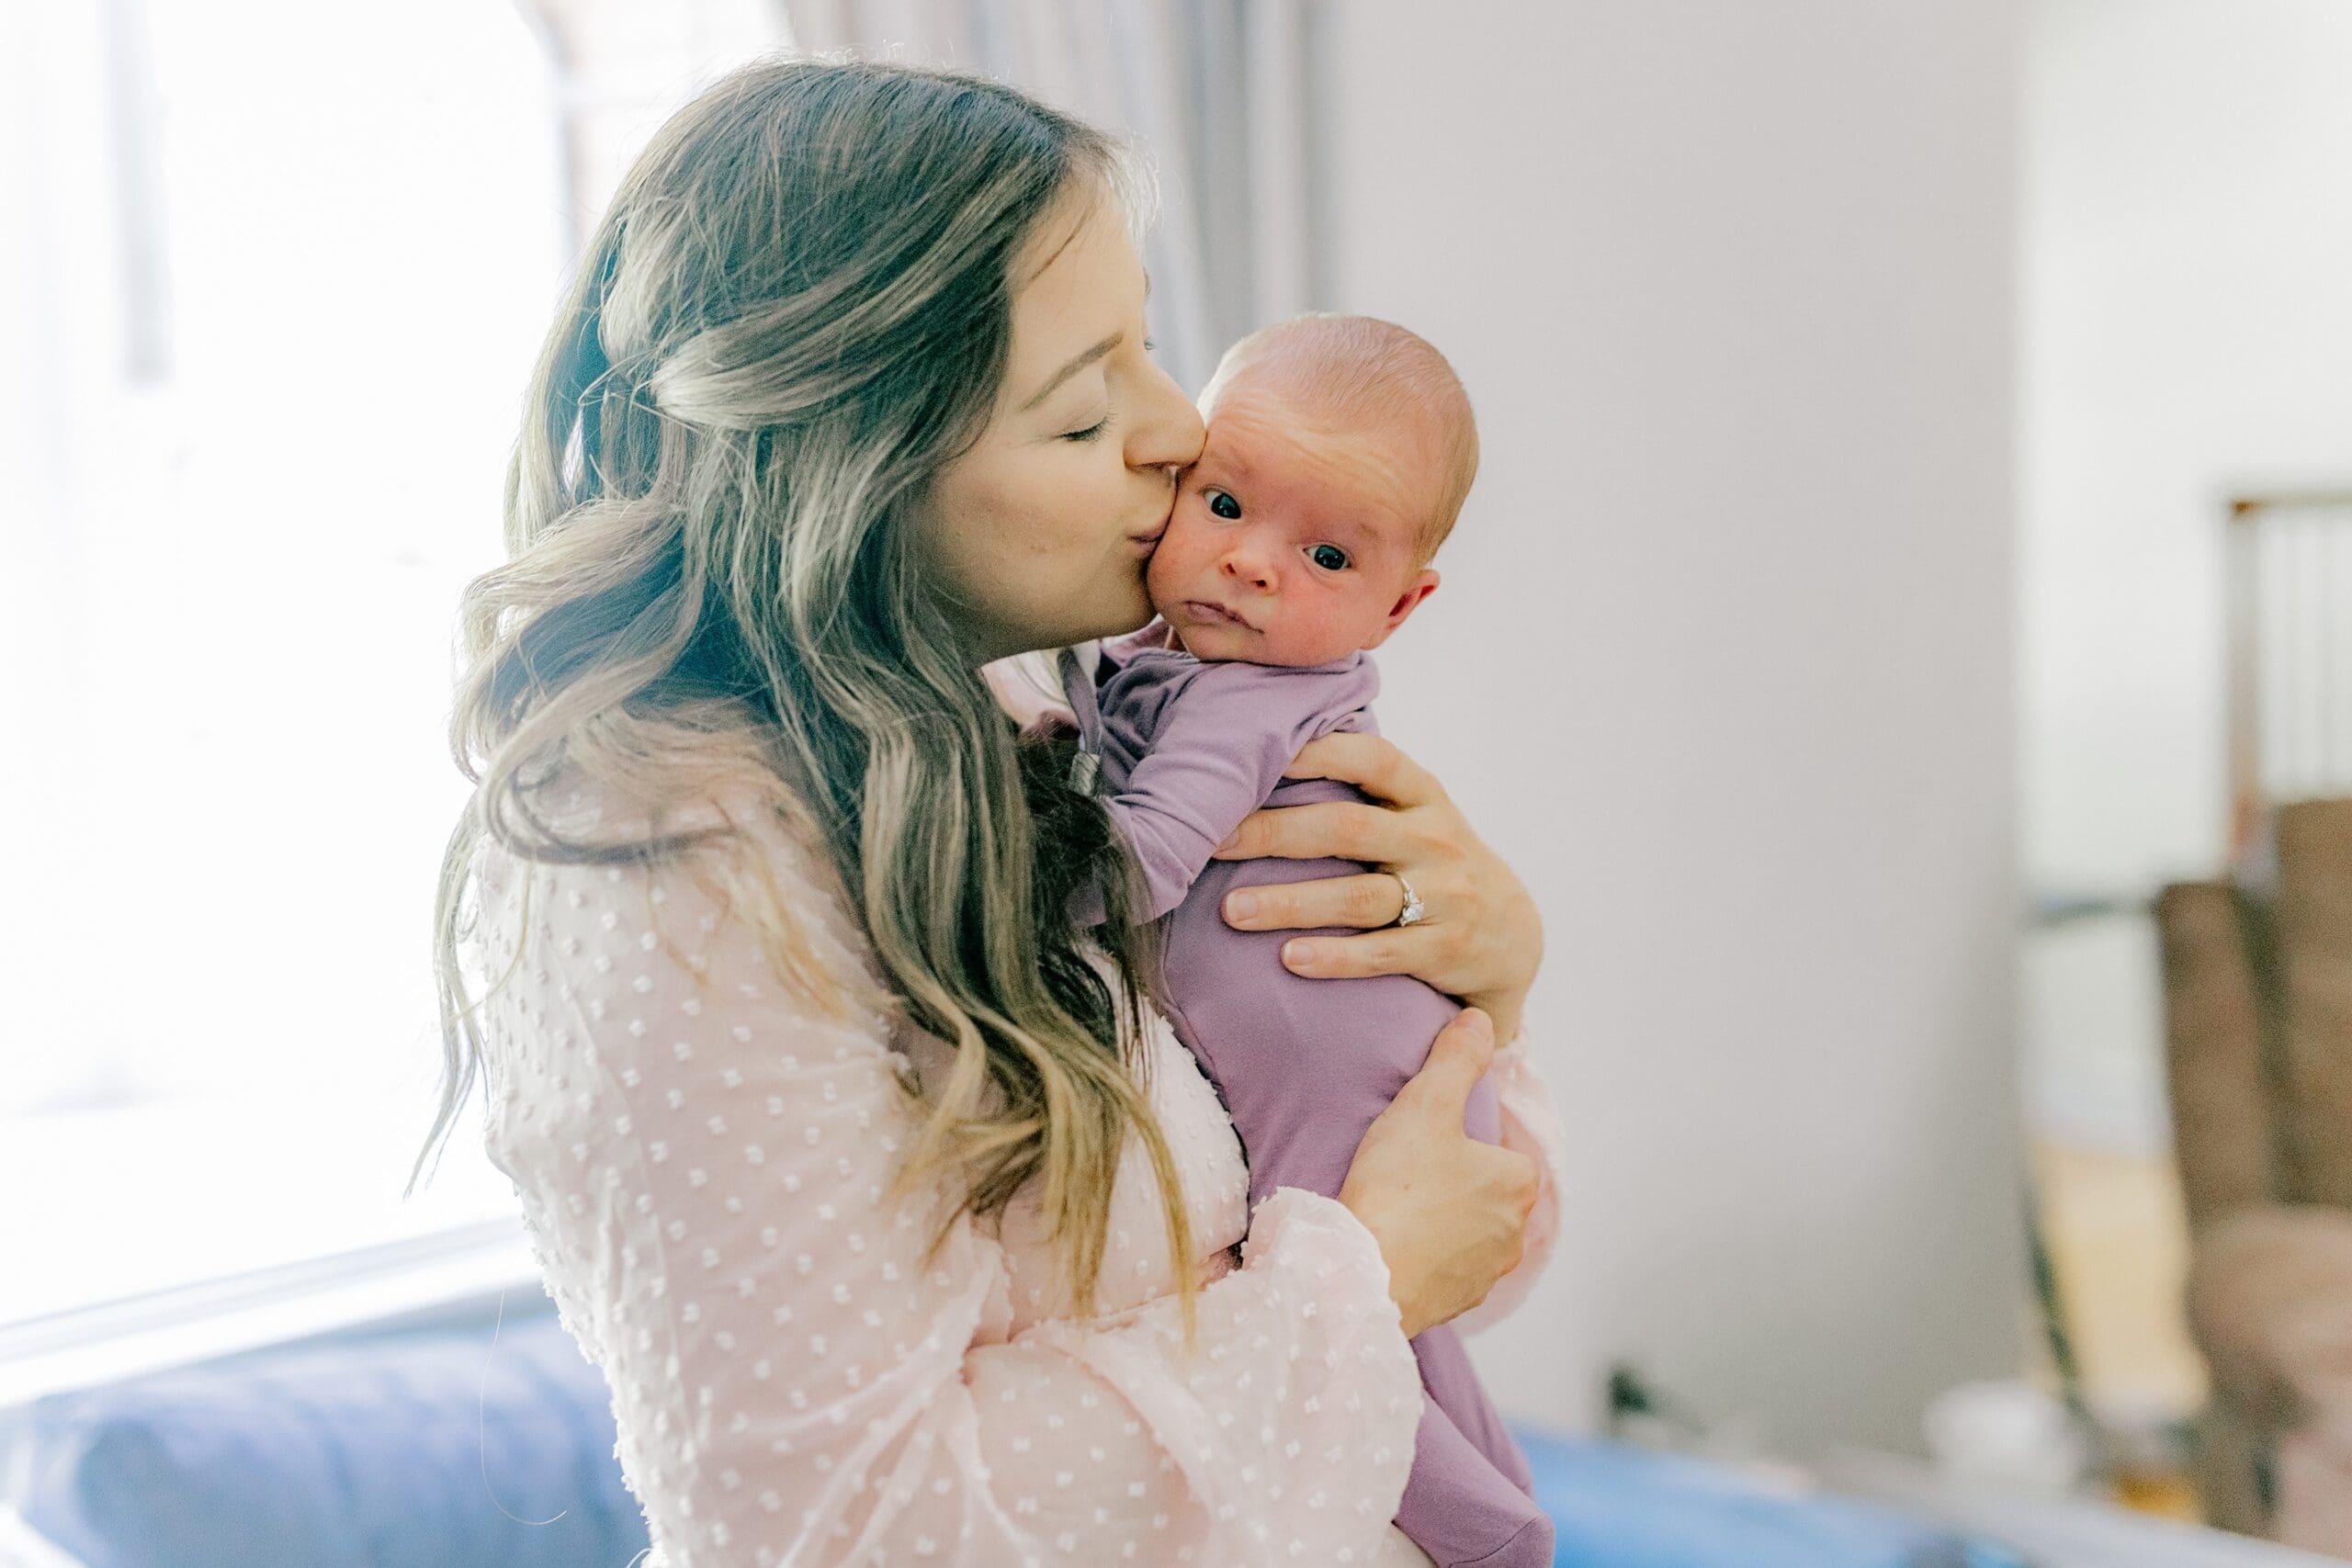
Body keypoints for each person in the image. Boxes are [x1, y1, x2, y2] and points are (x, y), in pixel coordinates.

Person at [417, 54, 1564, 1567]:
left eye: (1152, 349)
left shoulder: (1017, 740)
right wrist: (1361, 1284)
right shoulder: (671, 868)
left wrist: (1492, 988)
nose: (1180, 435)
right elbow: (836, 1535)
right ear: (862, 467)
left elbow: (1479, 1226)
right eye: (1087, 414)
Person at [1055, 312, 1553, 1567]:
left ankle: (1494, 1537)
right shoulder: (1168, 661)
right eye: (1224, 504)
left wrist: (978, 880)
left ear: (1402, 603)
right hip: (1353, 1048)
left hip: (1341, 1073)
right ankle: (1502, 1505)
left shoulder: (1246, 700)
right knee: (1410, 1345)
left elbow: (1149, 858)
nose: (1253, 564)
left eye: (1326, 552)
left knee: (1379, 1333)